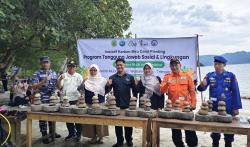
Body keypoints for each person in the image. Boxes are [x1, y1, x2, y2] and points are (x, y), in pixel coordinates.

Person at [197, 56, 242, 147]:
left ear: (224, 65)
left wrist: (236, 107)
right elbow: (201, 89)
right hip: (213, 108)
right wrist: (201, 85)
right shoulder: (209, 75)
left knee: (229, 130)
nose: (216, 66)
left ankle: (228, 143)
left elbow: (236, 92)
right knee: (215, 131)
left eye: (219, 64)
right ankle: (215, 143)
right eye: (215, 64)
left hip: (228, 108)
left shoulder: (231, 76)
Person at [160, 58, 198, 147]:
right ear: (170, 67)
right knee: (176, 134)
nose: (174, 67)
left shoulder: (187, 76)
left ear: (180, 65)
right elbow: (161, 90)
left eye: (176, 65)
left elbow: (192, 91)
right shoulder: (167, 77)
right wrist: (167, 84)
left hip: (186, 109)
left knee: (190, 132)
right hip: (173, 110)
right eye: (172, 65)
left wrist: (193, 104)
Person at [106, 58, 137, 147]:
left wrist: (134, 103)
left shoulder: (130, 77)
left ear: (124, 66)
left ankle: (129, 140)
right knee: (118, 125)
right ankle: (119, 141)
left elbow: (135, 91)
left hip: (127, 105)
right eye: (118, 65)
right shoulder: (112, 77)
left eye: (121, 65)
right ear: (116, 66)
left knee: (128, 124)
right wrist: (108, 85)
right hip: (116, 106)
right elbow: (107, 91)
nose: (119, 66)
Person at [32, 56, 61, 144]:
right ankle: (44, 135)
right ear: (41, 64)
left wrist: (59, 82)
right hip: (41, 99)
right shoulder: (36, 73)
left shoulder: (53, 73)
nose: (45, 64)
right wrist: (43, 81)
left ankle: (52, 132)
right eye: (44, 62)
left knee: (52, 116)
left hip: (52, 99)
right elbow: (34, 86)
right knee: (42, 118)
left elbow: (57, 86)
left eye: (47, 62)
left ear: (49, 63)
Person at [80, 64, 109, 144]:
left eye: (95, 70)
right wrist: (83, 81)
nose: (93, 72)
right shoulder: (86, 80)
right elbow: (80, 90)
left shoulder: (103, 80)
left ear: (98, 70)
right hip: (89, 104)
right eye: (91, 70)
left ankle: (101, 137)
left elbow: (107, 90)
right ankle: (93, 137)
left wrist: (108, 85)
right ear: (89, 71)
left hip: (100, 103)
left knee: (100, 121)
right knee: (90, 122)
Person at [57, 60, 83, 142]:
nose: (71, 68)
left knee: (78, 118)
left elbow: (81, 88)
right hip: (65, 100)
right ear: (67, 67)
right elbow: (59, 87)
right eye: (70, 66)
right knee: (68, 118)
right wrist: (59, 79)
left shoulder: (79, 76)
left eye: (73, 66)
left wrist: (81, 98)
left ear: (75, 67)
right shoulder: (63, 75)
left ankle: (78, 135)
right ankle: (71, 133)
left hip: (76, 99)